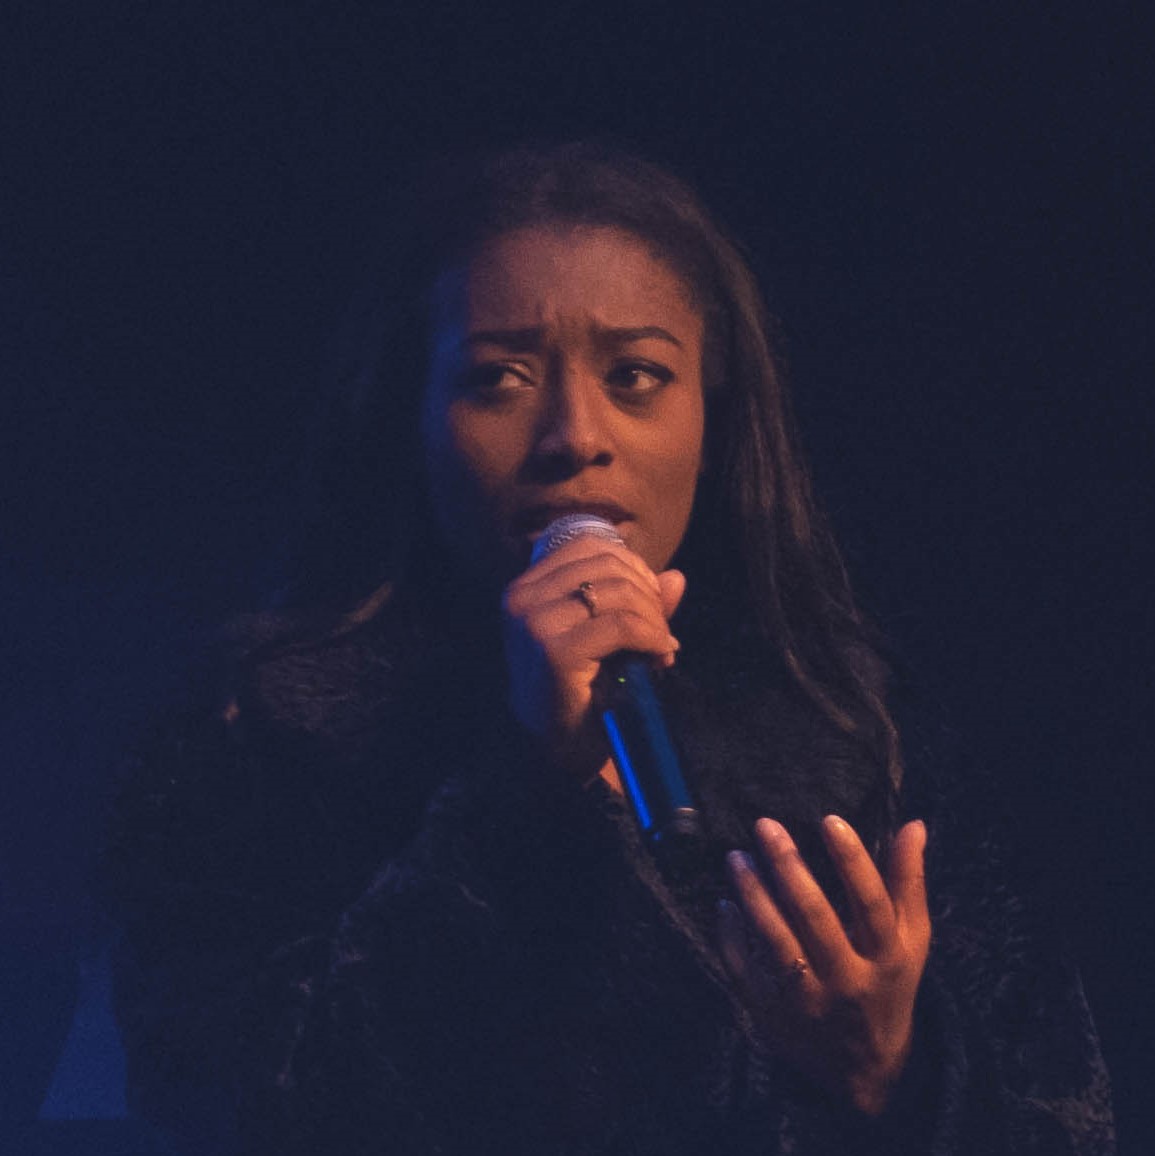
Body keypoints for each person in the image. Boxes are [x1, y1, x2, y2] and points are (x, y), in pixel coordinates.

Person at [103, 141, 1114, 1155]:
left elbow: (1068, 1117)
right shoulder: (258, 729)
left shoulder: (856, 721)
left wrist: (899, 1077)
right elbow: (239, 1109)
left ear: (715, 416)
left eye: (637, 376)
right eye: (497, 379)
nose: (575, 435)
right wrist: (527, 780)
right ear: (409, 413)